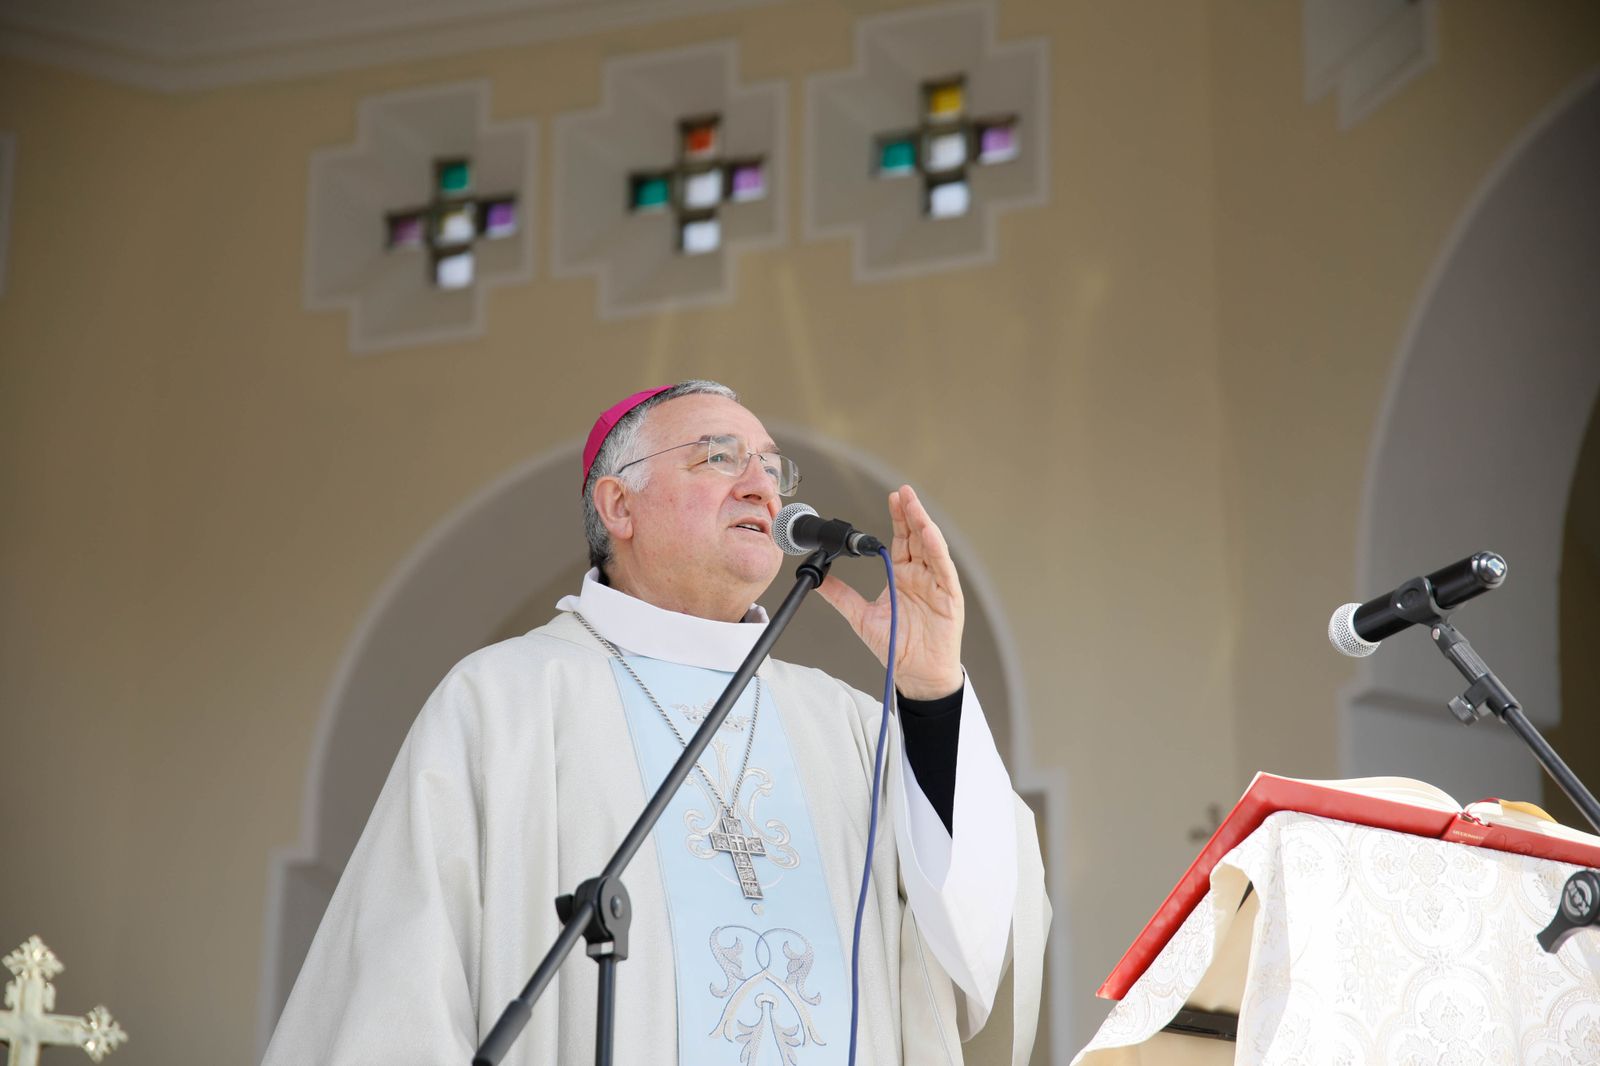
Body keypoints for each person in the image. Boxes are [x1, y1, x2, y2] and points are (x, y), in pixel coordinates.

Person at [262, 380, 1048, 1065]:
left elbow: (975, 933)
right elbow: (401, 989)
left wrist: (933, 690)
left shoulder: (844, 721)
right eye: (718, 458)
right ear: (619, 505)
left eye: (773, 468)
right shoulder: (505, 703)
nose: (763, 490)